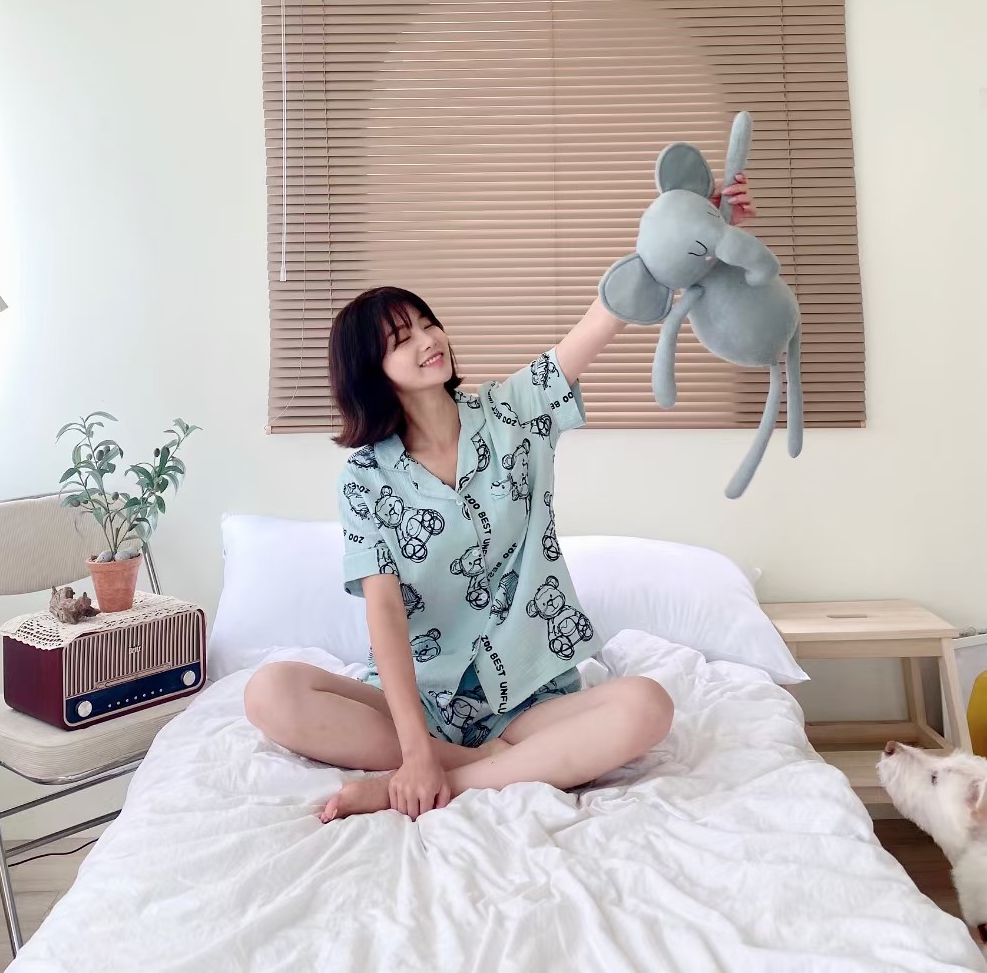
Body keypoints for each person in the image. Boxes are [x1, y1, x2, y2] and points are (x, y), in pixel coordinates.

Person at [244, 176, 756, 822]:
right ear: (370, 372)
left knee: (646, 705)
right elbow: (385, 613)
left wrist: (694, 230)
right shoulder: (365, 477)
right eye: (401, 339)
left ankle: (456, 780)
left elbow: (607, 314)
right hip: (419, 703)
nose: (428, 340)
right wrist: (415, 749)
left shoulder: (513, 410)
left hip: (529, 697)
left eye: (427, 323)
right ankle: (467, 763)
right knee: (270, 691)